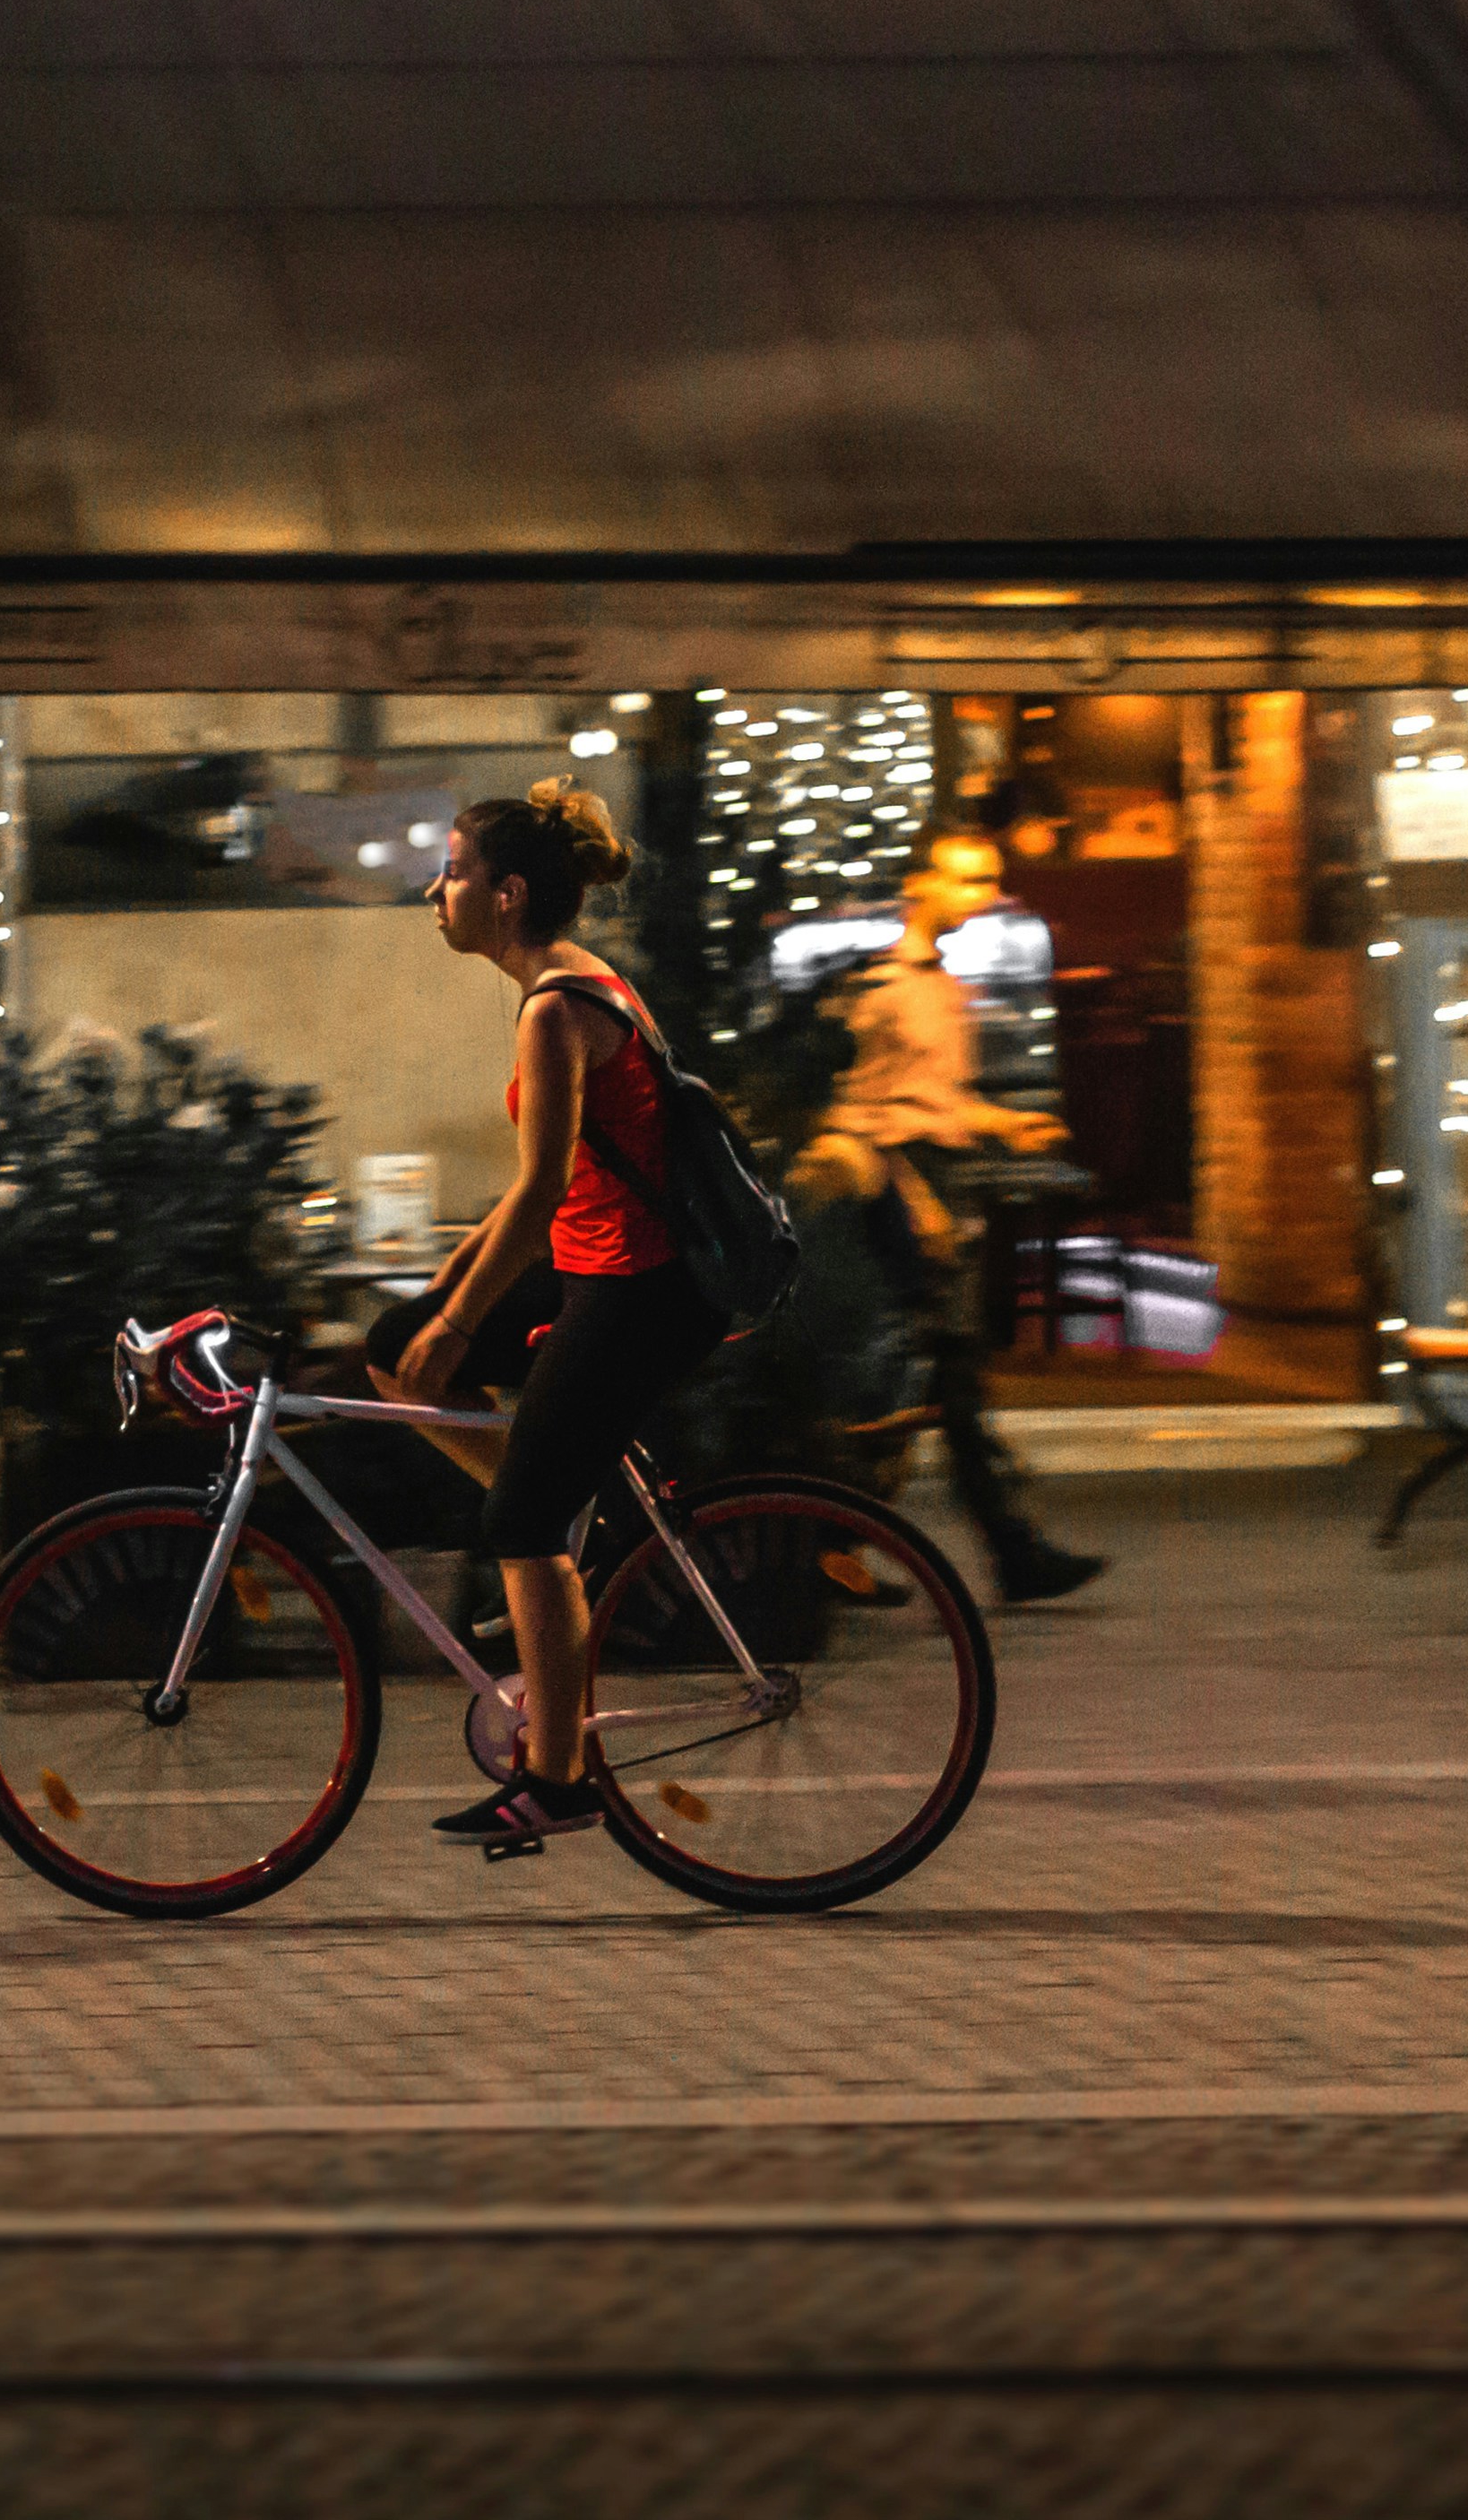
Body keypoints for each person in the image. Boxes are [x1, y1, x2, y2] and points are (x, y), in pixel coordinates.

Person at [363, 780, 731, 1855]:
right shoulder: (567, 985)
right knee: (395, 1350)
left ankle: (558, 1778)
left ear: (509, 895)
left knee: (518, 1522)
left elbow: (538, 1189)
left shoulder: (559, 1006)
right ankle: (576, 1506)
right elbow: (545, 1198)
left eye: (455, 872)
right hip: (595, 1259)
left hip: (642, 1288)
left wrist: (460, 1313)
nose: (438, 891)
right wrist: (443, 1295)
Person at [800, 842, 1110, 1608]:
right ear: (920, 885)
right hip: (892, 1202)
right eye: (969, 876)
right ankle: (989, 1552)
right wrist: (912, 1202)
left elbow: (935, 1098)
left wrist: (1007, 1123)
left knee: (938, 1386)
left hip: (931, 1187)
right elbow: (856, 1120)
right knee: (918, 1386)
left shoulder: (947, 986)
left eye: (991, 877)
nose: (987, 892)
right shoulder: (884, 990)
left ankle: (846, 1549)